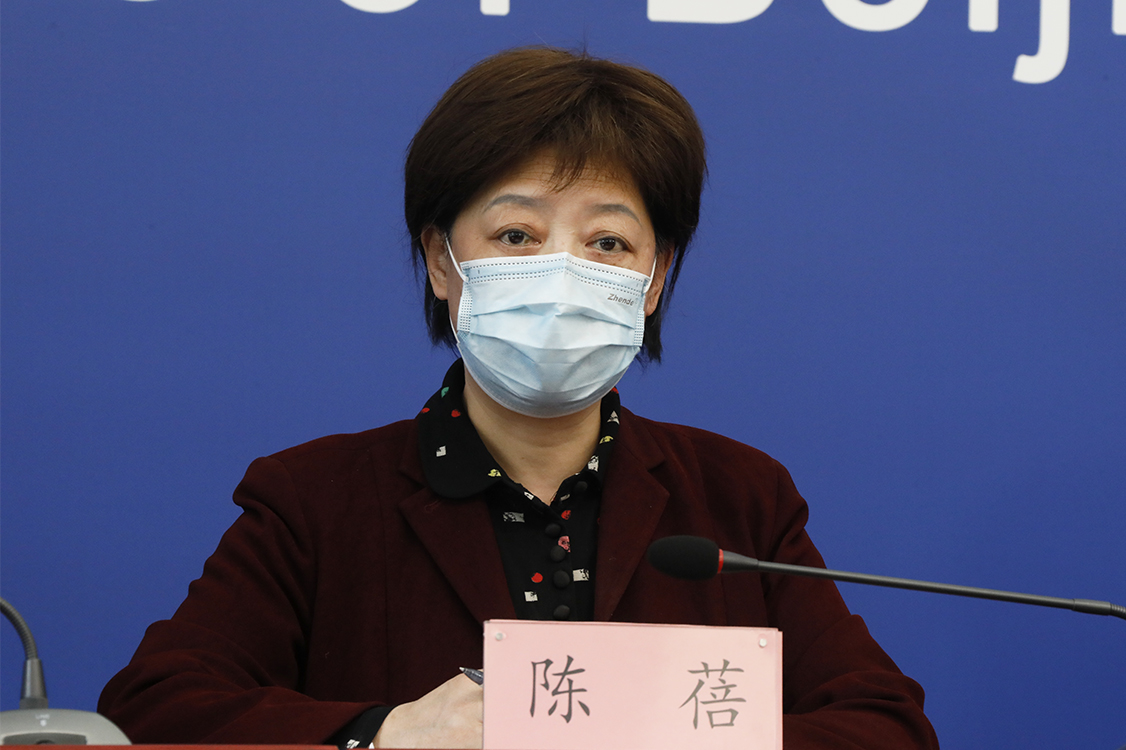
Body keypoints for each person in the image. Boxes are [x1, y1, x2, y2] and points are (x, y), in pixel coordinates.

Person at [98, 47, 939, 749]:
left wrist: (671, 733)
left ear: (655, 280)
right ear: (441, 261)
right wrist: (383, 733)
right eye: (516, 235)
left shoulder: (739, 499)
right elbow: (155, 709)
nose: (563, 272)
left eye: (607, 242)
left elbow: (885, 726)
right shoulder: (314, 501)